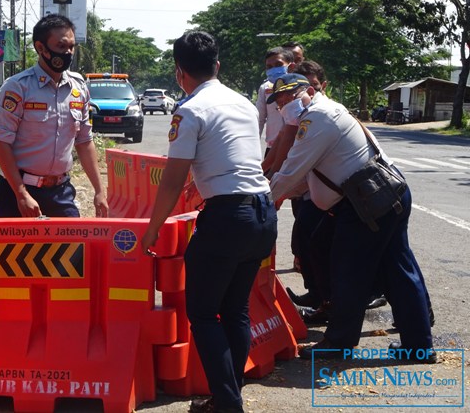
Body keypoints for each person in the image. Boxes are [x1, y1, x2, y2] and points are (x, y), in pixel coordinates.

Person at [141, 31, 277, 413]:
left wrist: (151, 230)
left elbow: (172, 178)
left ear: (179, 72)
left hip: (227, 220)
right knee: (235, 311)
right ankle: (226, 397)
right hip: (262, 215)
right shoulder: (243, 104)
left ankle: (228, 404)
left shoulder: (190, 110)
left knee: (202, 313)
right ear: (217, 66)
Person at [268, 73, 435, 363]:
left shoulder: (317, 119)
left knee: (349, 273)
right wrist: (275, 194)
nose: (284, 105)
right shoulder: (326, 112)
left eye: (289, 98)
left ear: (308, 90)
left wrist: (262, 201)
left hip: (367, 201)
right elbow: (304, 179)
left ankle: (339, 343)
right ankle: (419, 347)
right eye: (279, 102)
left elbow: (291, 171)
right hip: (383, 194)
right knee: (398, 271)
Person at [0, 14, 108, 218]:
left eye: (72, 47)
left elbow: (84, 141)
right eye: (61, 47)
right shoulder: (18, 88)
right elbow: (1, 142)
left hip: (60, 193)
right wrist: (21, 194)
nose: (68, 53)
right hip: (17, 192)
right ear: (41, 48)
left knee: (72, 249)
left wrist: (99, 190)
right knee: (19, 251)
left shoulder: (79, 88)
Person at [255, 47, 296, 159]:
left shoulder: (302, 88)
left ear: (291, 67)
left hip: (296, 147)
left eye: (278, 64)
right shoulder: (265, 88)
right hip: (272, 148)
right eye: (269, 67)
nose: (273, 69)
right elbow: (259, 119)